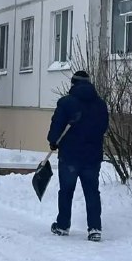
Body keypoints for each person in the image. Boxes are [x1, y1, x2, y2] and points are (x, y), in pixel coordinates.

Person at [47, 70, 109, 242]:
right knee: (92, 192)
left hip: (69, 156)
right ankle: (95, 228)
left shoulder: (66, 103)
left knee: (66, 191)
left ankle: (63, 225)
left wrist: (53, 141)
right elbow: (103, 127)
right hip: (92, 156)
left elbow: (57, 125)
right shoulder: (101, 105)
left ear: (73, 83)